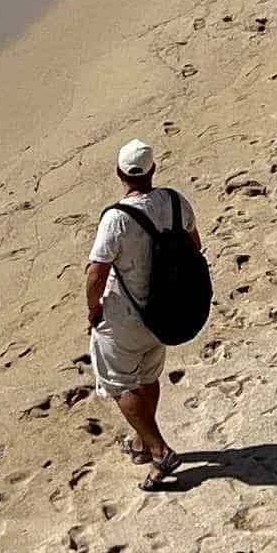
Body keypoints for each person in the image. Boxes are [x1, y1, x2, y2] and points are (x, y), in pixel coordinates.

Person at [85, 140, 193, 488]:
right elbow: (195, 246)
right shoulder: (174, 201)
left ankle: (160, 450)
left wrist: (94, 308)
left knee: (119, 384)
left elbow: (95, 273)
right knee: (148, 375)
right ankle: (141, 444)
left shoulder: (116, 219)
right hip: (165, 312)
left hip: (126, 316)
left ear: (119, 174)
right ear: (152, 170)